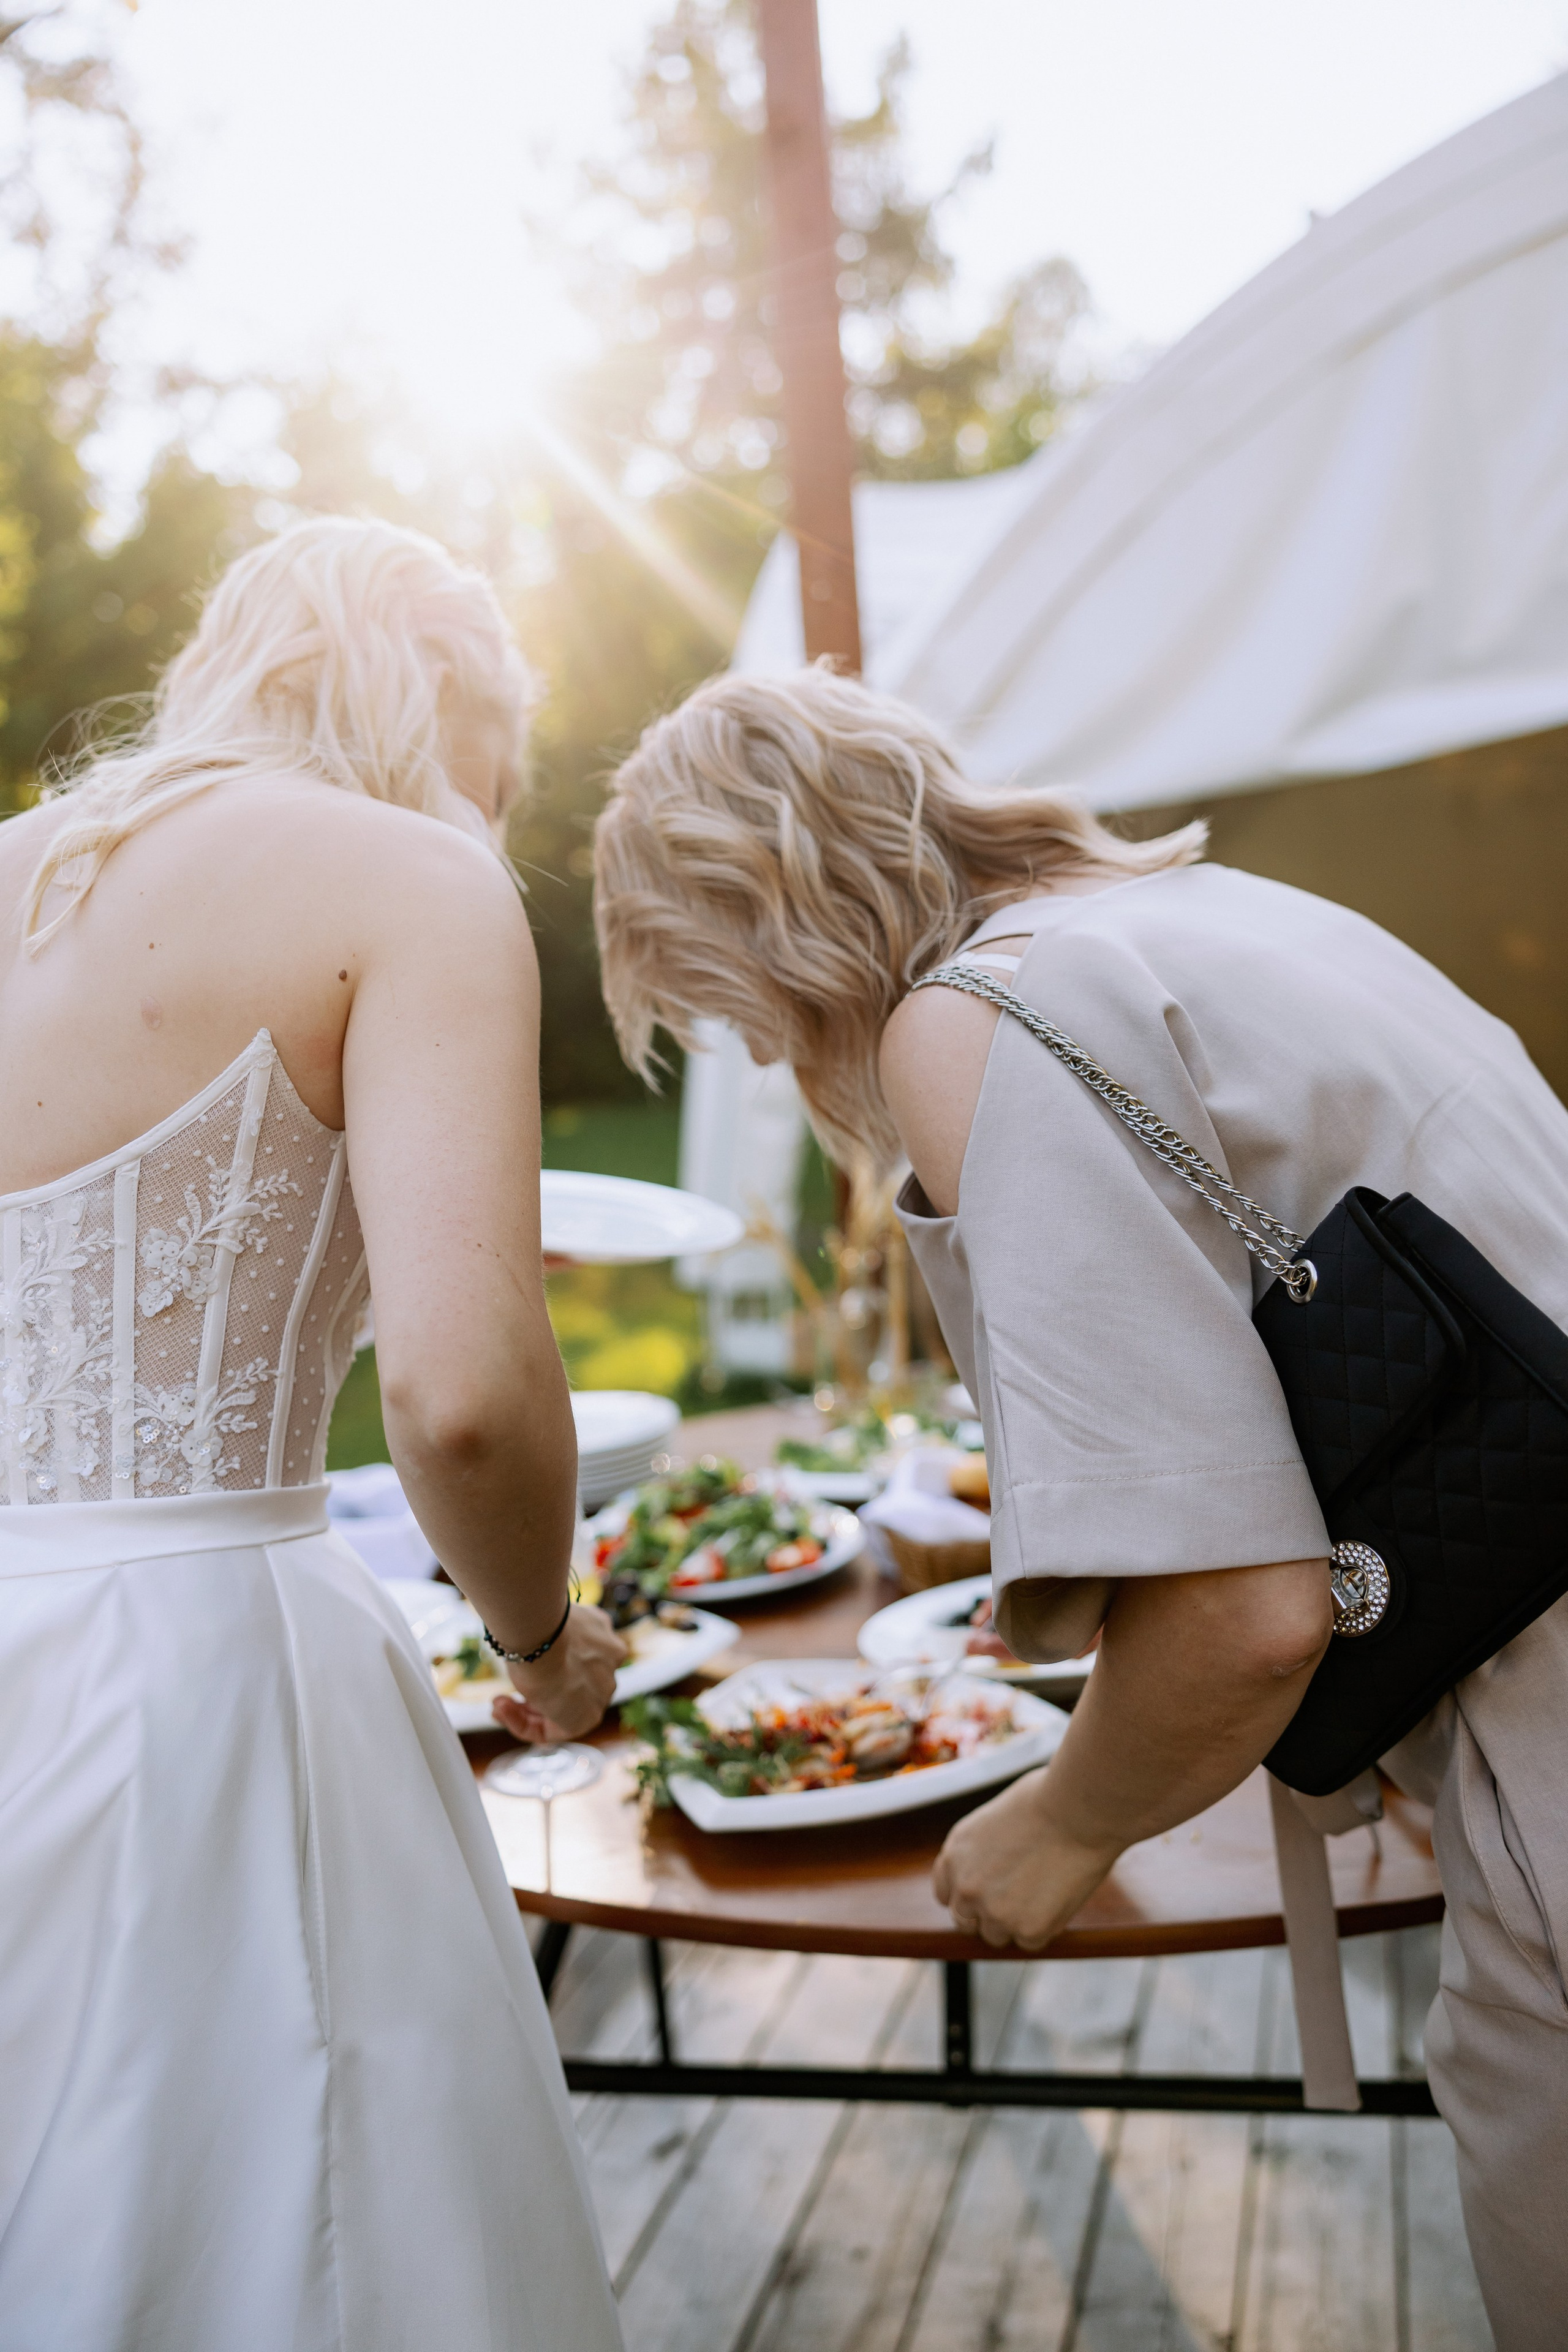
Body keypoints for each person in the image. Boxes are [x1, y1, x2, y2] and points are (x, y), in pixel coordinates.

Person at [593, 660, 1568, 2350]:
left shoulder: (977, 1015)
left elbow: (1247, 1613)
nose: (756, 1053)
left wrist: (1062, 1826)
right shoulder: (1220, 910)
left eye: (722, 1003)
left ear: (767, 920)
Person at [0, 518, 625, 2351]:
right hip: (226, 1675)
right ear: (447, 698)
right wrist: (544, 1641)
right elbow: (463, 1394)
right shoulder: (411, 882)